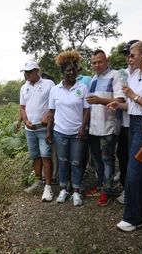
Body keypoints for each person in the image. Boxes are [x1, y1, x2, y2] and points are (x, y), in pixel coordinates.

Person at [108, 41, 142, 231]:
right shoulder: (134, 75)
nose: (129, 58)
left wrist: (133, 96)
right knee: (141, 168)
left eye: (132, 54)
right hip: (132, 122)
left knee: (134, 170)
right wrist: (119, 105)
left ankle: (132, 218)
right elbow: (133, 105)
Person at [45, 50, 90, 206]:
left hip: (78, 132)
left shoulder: (83, 88)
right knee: (63, 161)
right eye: (68, 70)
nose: (72, 72)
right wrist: (49, 131)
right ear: (62, 72)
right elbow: (51, 112)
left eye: (74, 69)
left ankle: (76, 192)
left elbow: (86, 110)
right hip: (60, 132)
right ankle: (64, 189)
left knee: (76, 162)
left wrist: (83, 128)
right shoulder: (55, 90)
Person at [85, 50, 125, 206]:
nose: (96, 65)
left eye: (99, 62)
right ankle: (100, 184)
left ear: (107, 60)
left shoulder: (115, 75)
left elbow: (120, 100)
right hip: (94, 127)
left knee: (107, 159)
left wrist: (100, 100)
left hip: (108, 125)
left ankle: (106, 191)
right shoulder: (94, 78)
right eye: (94, 63)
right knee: (97, 159)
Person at [20, 61, 55, 202]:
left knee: (46, 156)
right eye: (25, 72)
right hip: (30, 129)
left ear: (37, 71)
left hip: (43, 128)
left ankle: (48, 186)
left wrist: (47, 116)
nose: (26, 74)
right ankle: (38, 181)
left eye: (29, 71)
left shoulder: (48, 84)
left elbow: (54, 103)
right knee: (35, 156)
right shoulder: (24, 88)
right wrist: (25, 121)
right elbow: (22, 107)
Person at [113, 40, 140, 203]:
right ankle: (125, 187)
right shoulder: (123, 74)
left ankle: (135, 194)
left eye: (131, 54)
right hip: (124, 123)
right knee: (122, 156)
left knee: (135, 160)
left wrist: (121, 104)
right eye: (126, 55)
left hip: (138, 124)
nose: (128, 58)